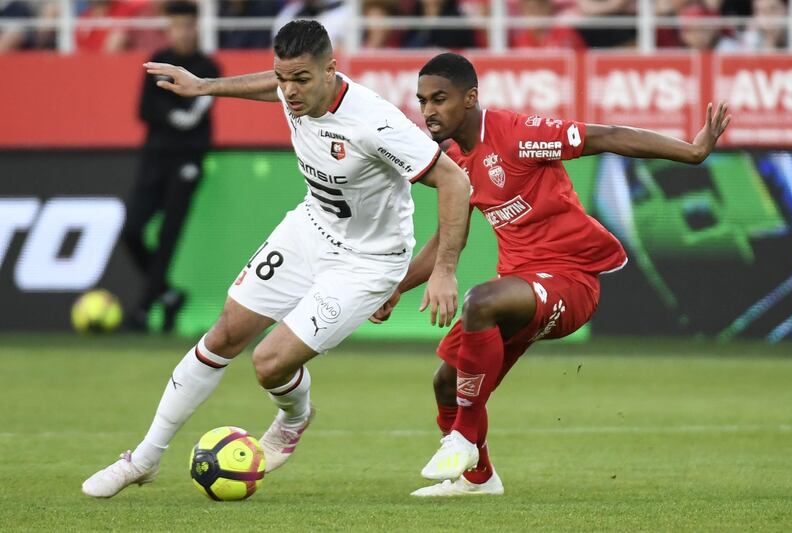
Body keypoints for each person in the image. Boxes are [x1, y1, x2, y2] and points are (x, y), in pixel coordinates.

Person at [81, 20, 471, 498]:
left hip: (367, 262)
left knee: (268, 364)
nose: (288, 92)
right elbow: (272, 83)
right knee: (224, 334)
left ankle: (294, 416)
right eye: (282, 78)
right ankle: (143, 458)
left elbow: (454, 181)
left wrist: (444, 270)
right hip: (309, 229)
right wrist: (204, 86)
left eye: (300, 80)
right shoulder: (294, 89)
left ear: (331, 70)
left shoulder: (375, 122)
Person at [370, 52, 731, 496]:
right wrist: (394, 290)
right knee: (446, 382)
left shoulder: (519, 135)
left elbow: (608, 135)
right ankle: (479, 479)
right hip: (521, 291)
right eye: (422, 100)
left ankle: (462, 438)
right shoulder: (455, 164)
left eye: (439, 99)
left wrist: (691, 152)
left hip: (571, 281)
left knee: (480, 301)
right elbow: (447, 243)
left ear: (470, 98)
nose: (428, 111)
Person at [123, 0, 219, 333]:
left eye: (189, 25)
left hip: (187, 161)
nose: (183, 32)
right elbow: (144, 108)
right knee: (131, 230)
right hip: (155, 157)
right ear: (169, 27)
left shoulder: (208, 65)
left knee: (168, 236)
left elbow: (196, 114)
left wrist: (171, 113)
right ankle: (167, 294)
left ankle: (142, 311)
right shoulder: (156, 63)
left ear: (197, 26)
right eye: (177, 25)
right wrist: (170, 113)